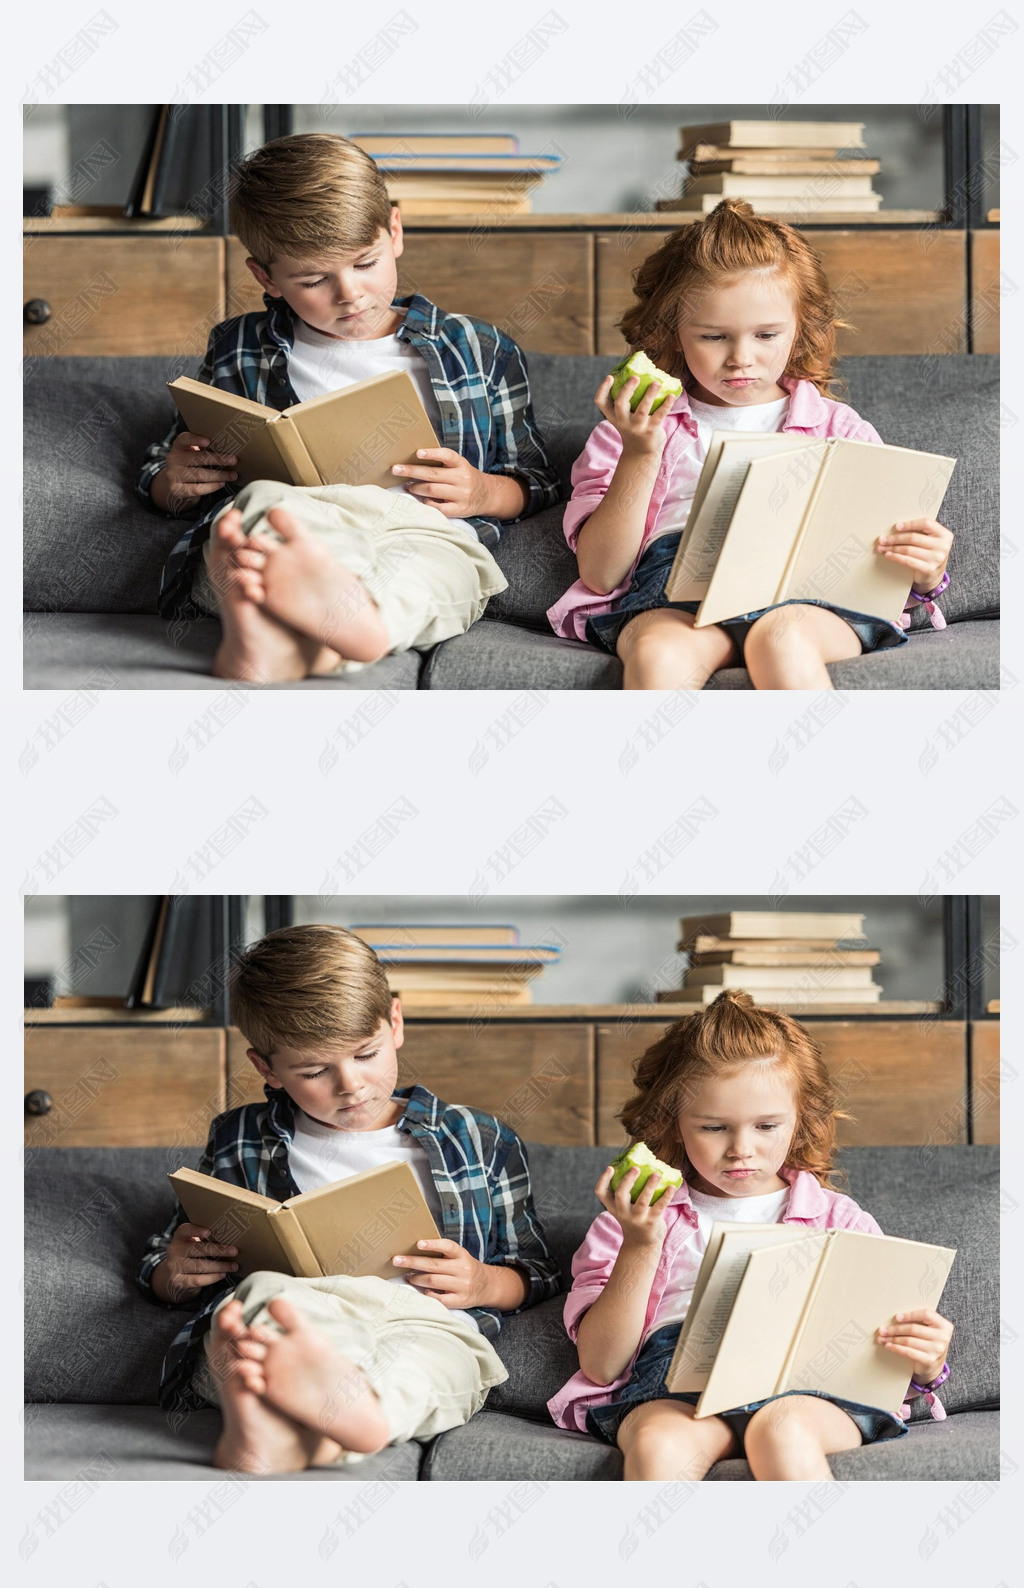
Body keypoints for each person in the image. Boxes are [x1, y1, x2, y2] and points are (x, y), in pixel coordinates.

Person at [137, 924, 559, 1473]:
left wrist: (484, 1282)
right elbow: (163, 1260)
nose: (352, 1084)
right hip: (306, 1311)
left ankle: (321, 1421)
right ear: (266, 1067)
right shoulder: (238, 1137)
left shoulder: (479, 1138)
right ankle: (301, 1414)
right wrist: (175, 1270)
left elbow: (541, 1271)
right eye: (314, 1070)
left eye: (366, 1054)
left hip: (423, 1320)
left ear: (396, 1023)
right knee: (262, 1298)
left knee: (435, 1360)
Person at [138, 133, 559, 682]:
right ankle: (304, 624)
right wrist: (174, 478)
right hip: (303, 519)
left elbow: (540, 480)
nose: (351, 294)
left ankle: (319, 630)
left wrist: (483, 492)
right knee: (261, 507)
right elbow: (161, 470)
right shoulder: (237, 346)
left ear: (395, 232)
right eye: (314, 280)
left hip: (421, 529)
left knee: (439, 570)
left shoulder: (478, 348)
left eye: (366, 263)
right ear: (265, 277)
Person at [547, 200, 954, 689]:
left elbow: (886, 563)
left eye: (766, 334)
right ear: (673, 334)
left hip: (810, 598)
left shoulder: (837, 426)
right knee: (660, 655)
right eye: (714, 336)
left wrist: (928, 571)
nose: (741, 358)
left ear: (800, 329)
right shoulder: (631, 426)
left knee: (780, 639)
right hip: (674, 594)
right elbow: (601, 574)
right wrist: (640, 451)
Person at [548, 991, 954, 1480]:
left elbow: (886, 1352)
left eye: (766, 1125)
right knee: (659, 1445)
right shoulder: (631, 1217)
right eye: (714, 1127)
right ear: (674, 1125)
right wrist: (641, 1243)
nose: (742, 1149)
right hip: (674, 1385)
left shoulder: (837, 1217)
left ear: (800, 1119)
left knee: (781, 1430)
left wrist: (928, 1362)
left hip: (810, 1388)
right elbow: (601, 1365)